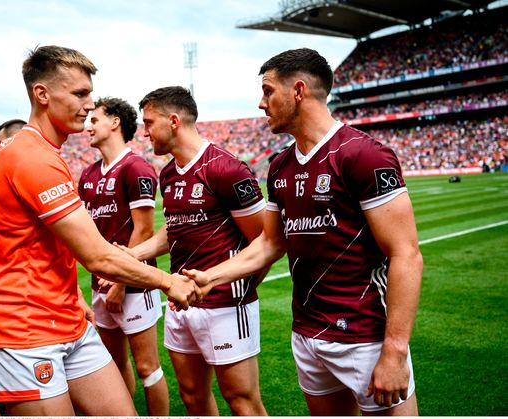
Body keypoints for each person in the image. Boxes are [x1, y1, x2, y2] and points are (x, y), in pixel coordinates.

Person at [183, 48, 423, 416]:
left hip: (363, 336)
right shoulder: (280, 165)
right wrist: (210, 277)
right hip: (307, 334)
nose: (261, 104)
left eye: (267, 91)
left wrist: (394, 351)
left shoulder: (363, 155)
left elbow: (405, 253)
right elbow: (269, 243)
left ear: (298, 91)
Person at [0, 45, 199, 416]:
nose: (89, 104)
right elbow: (95, 255)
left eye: (90, 94)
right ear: (42, 94)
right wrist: (168, 282)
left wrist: (71, 295)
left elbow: (39, 244)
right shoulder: (33, 157)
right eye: (80, 93)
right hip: (24, 327)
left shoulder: (45, 153)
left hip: (64, 315)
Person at [129, 86, 268, 416]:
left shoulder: (226, 168)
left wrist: (239, 291)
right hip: (180, 303)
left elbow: (265, 240)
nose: (144, 132)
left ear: (173, 121)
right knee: (192, 395)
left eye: (148, 123)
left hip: (224, 304)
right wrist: (132, 254)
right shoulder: (167, 173)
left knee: (242, 401)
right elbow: (175, 229)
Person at [77, 97, 168, 415]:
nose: (88, 125)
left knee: (148, 368)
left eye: (95, 119)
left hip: (133, 284)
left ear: (115, 122)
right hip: (99, 284)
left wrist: (119, 282)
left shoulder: (136, 167)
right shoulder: (88, 174)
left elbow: (143, 230)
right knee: (112, 365)